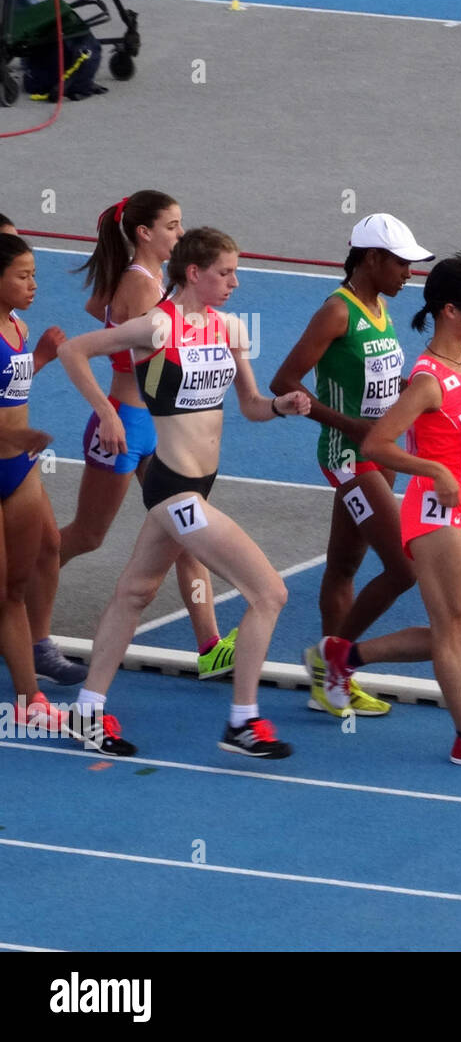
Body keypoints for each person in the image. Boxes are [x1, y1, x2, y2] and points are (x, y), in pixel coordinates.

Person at [57, 228, 311, 758]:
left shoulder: (230, 329)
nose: (235, 283)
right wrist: (107, 412)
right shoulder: (155, 326)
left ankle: (86, 710)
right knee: (269, 593)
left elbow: (250, 405)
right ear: (194, 273)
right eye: (225, 273)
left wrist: (281, 407)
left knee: (135, 593)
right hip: (174, 492)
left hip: (200, 485)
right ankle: (242, 721)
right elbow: (75, 351)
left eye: (236, 273)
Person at [27, 192, 238, 685]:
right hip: (124, 423)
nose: (180, 235)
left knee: (187, 534)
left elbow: (96, 305)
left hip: (149, 427)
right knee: (89, 534)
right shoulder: (144, 291)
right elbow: (143, 361)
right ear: (144, 233)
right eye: (172, 226)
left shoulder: (137, 281)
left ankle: (210, 645)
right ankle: (15, 593)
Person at [355, 250, 461, 767]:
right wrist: (435, 471)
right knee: (450, 633)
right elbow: (376, 445)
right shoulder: (426, 379)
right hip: (434, 514)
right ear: (449, 311)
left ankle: (344, 656)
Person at [270, 214, 434, 719]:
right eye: (402, 262)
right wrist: (350, 426)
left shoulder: (378, 306)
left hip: (379, 457)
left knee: (343, 566)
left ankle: (333, 684)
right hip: (349, 459)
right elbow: (283, 382)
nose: (410, 272)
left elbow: (376, 376)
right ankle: (334, 661)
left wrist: (405, 392)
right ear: (371, 259)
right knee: (404, 570)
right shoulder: (336, 313)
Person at [0, 234, 72, 730]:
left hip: (19, 469)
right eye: (23, 276)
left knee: (14, 589)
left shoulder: (18, 328)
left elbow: (11, 386)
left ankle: (30, 700)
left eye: (34, 275)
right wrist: (17, 432)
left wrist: (41, 357)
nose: (33, 285)